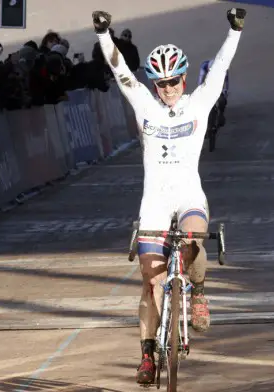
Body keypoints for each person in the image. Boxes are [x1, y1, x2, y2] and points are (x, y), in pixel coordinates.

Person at [92, 7, 246, 385]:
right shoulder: (145, 104)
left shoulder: (199, 102)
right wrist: (102, 34)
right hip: (156, 201)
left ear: (184, 77)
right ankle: (147, 354)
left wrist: (235, 30)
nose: (169, 88)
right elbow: (120, 72)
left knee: (193, 239)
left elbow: (222, 66)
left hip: (188, 193)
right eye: (162, 83)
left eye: (174, 80)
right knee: (150, 280)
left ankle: (199, 294)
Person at [198, 59, 228, 129]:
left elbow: (226, 83)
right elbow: (200, 81)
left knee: (222, 100)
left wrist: (224, 92)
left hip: (218, 83)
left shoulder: (224, 68)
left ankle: (221, 114)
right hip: (207, 83)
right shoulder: (204, 66)